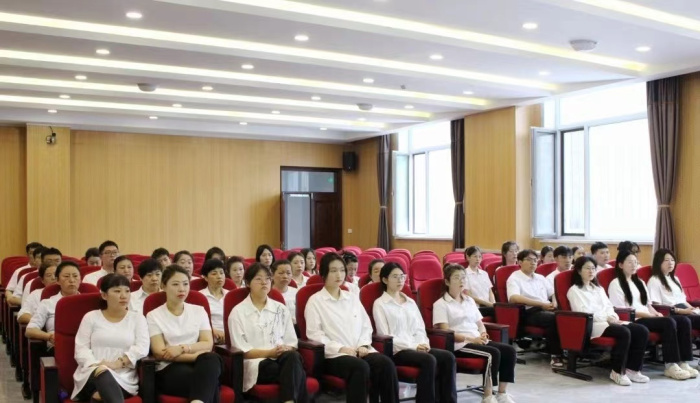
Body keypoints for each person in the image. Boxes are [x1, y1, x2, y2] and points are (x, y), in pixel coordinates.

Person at [305, 253, 399, 403]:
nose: (339, 275)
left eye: (342, 270)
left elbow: (366, 325)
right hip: (334, 356)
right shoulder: (315, 301)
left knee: (386, 364)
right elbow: (315, 334)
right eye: (333, 270)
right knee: (360, 367)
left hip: (359, 350)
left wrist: (363, 345)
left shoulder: (352, 298)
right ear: (323, 274)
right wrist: (340, 348)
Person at [374, 263, 457, 403]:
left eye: (402, 276)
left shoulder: (410, 302)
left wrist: (423, 343)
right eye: (395, 277)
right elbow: (385, 335)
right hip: (398, 350)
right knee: (428, 360)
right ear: (385, 279)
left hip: (418, 346)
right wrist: (415, 346)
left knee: (448, 357)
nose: (400, 280)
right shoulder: (380, 304)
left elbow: (420, 328)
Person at [608, 250, 697, 380]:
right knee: (669, 322)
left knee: (683, 321)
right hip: (635, 319)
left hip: (647, 316)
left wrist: (656, 313)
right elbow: (621, 310)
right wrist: (649, 315)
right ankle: (670, 365)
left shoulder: (639, 282)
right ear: (621, 265)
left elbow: (648, 305)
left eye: (635, 262)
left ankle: (683, 362)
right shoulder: (616, 284)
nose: (634, 265)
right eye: (630, 262)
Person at [434, 264, 516, 403]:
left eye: (463, 278)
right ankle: (488, 396)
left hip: (477, 339)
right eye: (456, 278)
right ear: (447, 282)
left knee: (509, 350)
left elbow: (480, 323)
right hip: (460, 344)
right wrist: (471, 339)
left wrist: (483, 333)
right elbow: (446, 332)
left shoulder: (469, 300)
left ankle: (502, 393)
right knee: (493, 353)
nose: (461, 281)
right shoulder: (441, 304)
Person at [229, 263, 308, 401]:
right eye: (258, 279)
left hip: (282, 358)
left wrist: (285, 348)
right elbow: (242, 350)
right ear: (247, 283)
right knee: (295, 371)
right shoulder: (238, 312)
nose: (264, 282)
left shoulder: (281, 308)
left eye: (267, 278)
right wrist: (269, 353)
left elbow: (292, 342)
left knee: (293, 357)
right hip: (256, 363)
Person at [567, 257, 650, 386]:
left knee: (641, 330)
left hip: (609, 321)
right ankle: (617, 372)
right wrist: (606, 318)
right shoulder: (574, 291)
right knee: (624, 332)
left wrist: (613, 316)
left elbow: (609, 306)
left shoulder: (598, 289)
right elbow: (584, 312)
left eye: (593, 268)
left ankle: (632, 370)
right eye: (587, 268)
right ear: (578, 271)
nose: (591, 271)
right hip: (593, 325)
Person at [146, 265, 224, 402]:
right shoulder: (153, 315)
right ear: (163, 286)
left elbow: (207, 343)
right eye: (175, 284)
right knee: (210, 381)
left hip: (200, 363)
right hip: (169, 367)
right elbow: (159, 352)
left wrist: (182, 348)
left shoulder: (199, 311)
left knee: (211, 360)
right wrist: (196, 356)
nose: (182, 289)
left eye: (185, 284)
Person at [71, 274, 150, 402]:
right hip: (91, 373)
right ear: (104, 295)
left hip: (124, 377)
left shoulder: (137, 318)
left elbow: (142, 347)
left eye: (127, 291)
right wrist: (97, 365)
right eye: (117, 291)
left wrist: (117, 364)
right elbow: (81, 349)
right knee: (102, 373)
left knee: (99, 396)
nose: (123, 296)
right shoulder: (91, 317)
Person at [506, 249, 562, 368]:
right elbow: (514, 298)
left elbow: (553, 293)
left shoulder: (540, 277)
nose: (533, 263)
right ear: (520, 262)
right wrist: (540, 304)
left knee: (567, 316)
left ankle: (572, 351)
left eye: (535, 260)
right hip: (528, 312)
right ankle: (555, 354)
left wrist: (555, 302)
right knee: (554, 319)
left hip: (546, 308)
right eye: (529, 260)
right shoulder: (514, 278)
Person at [26, 261, 82, 346]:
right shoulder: (47, 303)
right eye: (66, 276)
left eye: (75, 276)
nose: (71, 280)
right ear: (57, 280)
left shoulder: (88, 303)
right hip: (58, 346)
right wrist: (49, 336)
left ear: (80, 279)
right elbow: (30, 330)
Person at [648, 249, 700, 322]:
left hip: (683, 308)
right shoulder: (654, 280)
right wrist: (682, 311)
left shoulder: (675, 279)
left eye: (672, 260)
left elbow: (683, 300)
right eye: (666, 260)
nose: (670, 263)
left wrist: (693, 309)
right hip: (671, 312)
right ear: (658, 262)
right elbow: (657, 306)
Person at [199, 259, 229, 344]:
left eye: (221, 273)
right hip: (210, 337)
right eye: (214, 273)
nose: (219, 276)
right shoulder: (200, 296)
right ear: (205, 277)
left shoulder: (230, 295)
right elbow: (197, 321)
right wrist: (212, 331)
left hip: (231, 337)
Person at [463, 246, 496, 318]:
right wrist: (489, 304)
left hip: (489, 306)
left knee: (502, 310)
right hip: (475, 307)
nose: (478, 259)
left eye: (480, 257)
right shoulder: (464, 274)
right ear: (468, 257)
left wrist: (493, 303)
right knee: (498, 312)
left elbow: (490, 291)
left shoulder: (484, 273)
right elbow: (468, 295)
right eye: (475, 256)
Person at [271, 260, 298, 324]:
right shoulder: (267, 294)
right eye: (281, 273)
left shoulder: (297, 293)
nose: (285, 276)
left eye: (288, 273)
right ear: (272, 275)